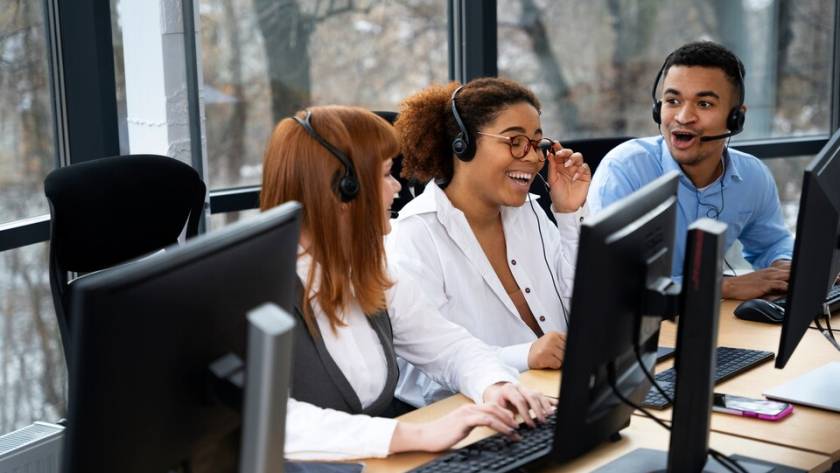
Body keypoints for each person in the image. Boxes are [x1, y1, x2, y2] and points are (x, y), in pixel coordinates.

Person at [260, 105, 554, 461]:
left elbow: (447, 346)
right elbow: (274, 420)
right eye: (384, 175)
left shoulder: (368, 269)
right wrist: (412, 434)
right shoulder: (256, 289)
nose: (396, 188)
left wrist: (496, 385)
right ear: (343, 190)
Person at [387, 77, 591, 407]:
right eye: (515, 141)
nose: (533, 158)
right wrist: (526, 356)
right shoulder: (416, 234)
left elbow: (585, 310)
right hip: (470, 416)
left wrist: (569, 214)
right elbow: (422, 379)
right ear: (462, 145)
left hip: (553, 394)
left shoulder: (530, 213)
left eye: (536, 143)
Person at [587, 41, 793, 301]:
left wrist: (783, 267)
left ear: (736, 118)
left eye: (704, 104)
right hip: (634, 332)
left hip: (709, 324)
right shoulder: (625, 171)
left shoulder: (752, 177)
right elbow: (613, 282)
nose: (683, 117)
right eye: (673, 100)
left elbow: (774, 243)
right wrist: (721, 287)